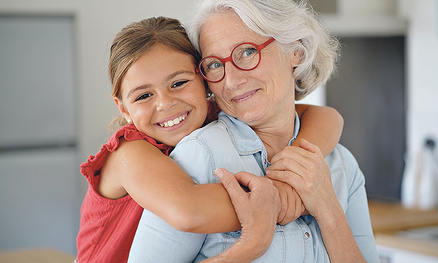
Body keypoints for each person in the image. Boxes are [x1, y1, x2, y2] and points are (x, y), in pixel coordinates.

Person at [75, 16, 344, 262]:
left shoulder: (214, 118)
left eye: (178, 83)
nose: (166, 104)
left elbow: (327, 117)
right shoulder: (128, 153)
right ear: (122, 108)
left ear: (204, 82)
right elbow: (189, 212)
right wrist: (279, 202)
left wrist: (293, 171)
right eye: (144, 96)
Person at [128, 0, 379, 262]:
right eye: (215, 64)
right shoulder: (200, 155)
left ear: (296, 50)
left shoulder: (342, 166)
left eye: (247, 52)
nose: (232, 80)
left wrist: (329, 210)